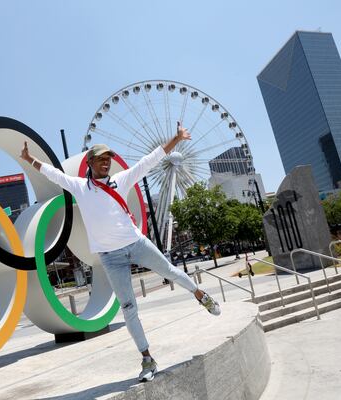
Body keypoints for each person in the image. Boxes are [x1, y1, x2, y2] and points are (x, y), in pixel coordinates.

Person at [20, 121, 221, 382]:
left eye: (109, 159)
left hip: (136, 244)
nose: (107, 163)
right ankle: (147, 360)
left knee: (170, 271)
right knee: (128, 308)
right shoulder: (80, 186)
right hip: (110, 257)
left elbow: (150, 160)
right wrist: (28, 159)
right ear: (90, 162)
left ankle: (200, 294)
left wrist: (176, 138)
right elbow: (52, 174)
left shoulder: (120, 179)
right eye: (102, 159)